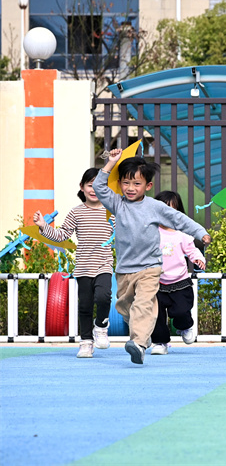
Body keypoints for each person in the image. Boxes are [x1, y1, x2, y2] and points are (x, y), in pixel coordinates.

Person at [94, 150, 211, 365]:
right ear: (119, 183)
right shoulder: (117, 204)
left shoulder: (154, 207)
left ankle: (138, 344)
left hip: (150, 267)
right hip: (125, 269)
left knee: (143, 303)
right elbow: (99, 187)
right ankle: (142, 332)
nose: (131, 188)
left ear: (148, 186)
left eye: (136, 184)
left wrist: (200, 232)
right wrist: (111, 162)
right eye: (126, 183)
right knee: (125, 307)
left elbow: (179, 219)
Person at [34, 168, 114, 358]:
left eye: (99, 185)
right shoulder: (76, 212)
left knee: (104, 297)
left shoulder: (111, 212)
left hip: (104, 264)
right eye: (90, 185)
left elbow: (124, 234)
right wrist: (43, 226)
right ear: (82, 187)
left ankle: (101, 326)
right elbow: (61, 235)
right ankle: (86, 342)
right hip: (83, 267)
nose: (94, 190)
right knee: (85, 306)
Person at [150, 191, 206, 355]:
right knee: (156, 315)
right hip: (157, 282)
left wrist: (198, 259)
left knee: (181, 311)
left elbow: (192, 250)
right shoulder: (151, 232)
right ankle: (160, 342)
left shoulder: (182, 234)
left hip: (179, 281)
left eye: (171, 210)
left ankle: (185, 326)